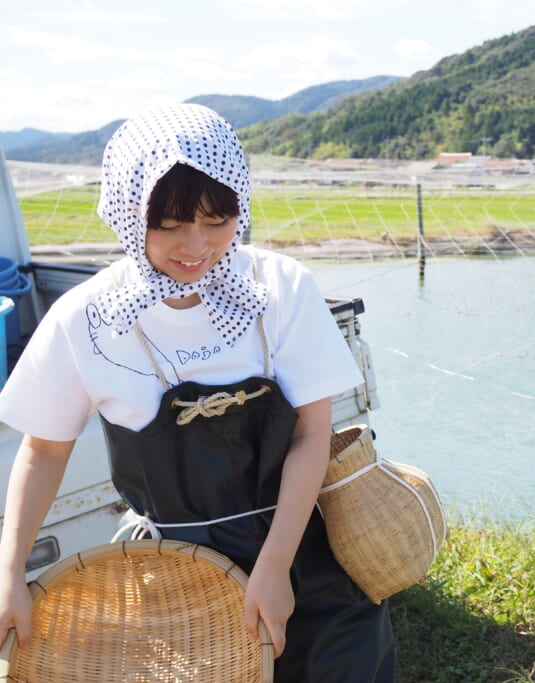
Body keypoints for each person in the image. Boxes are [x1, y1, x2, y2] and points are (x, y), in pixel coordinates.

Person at [0, 104, 395, 681]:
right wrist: (9, 573)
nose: (196, 245)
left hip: (305, 551)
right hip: (173, 572)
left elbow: (313, 434)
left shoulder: (280, 287)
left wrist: (275, 567)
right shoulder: (85, 318)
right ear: (129, 213)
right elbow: (43, 450)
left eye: (217, 219)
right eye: (169, 224)